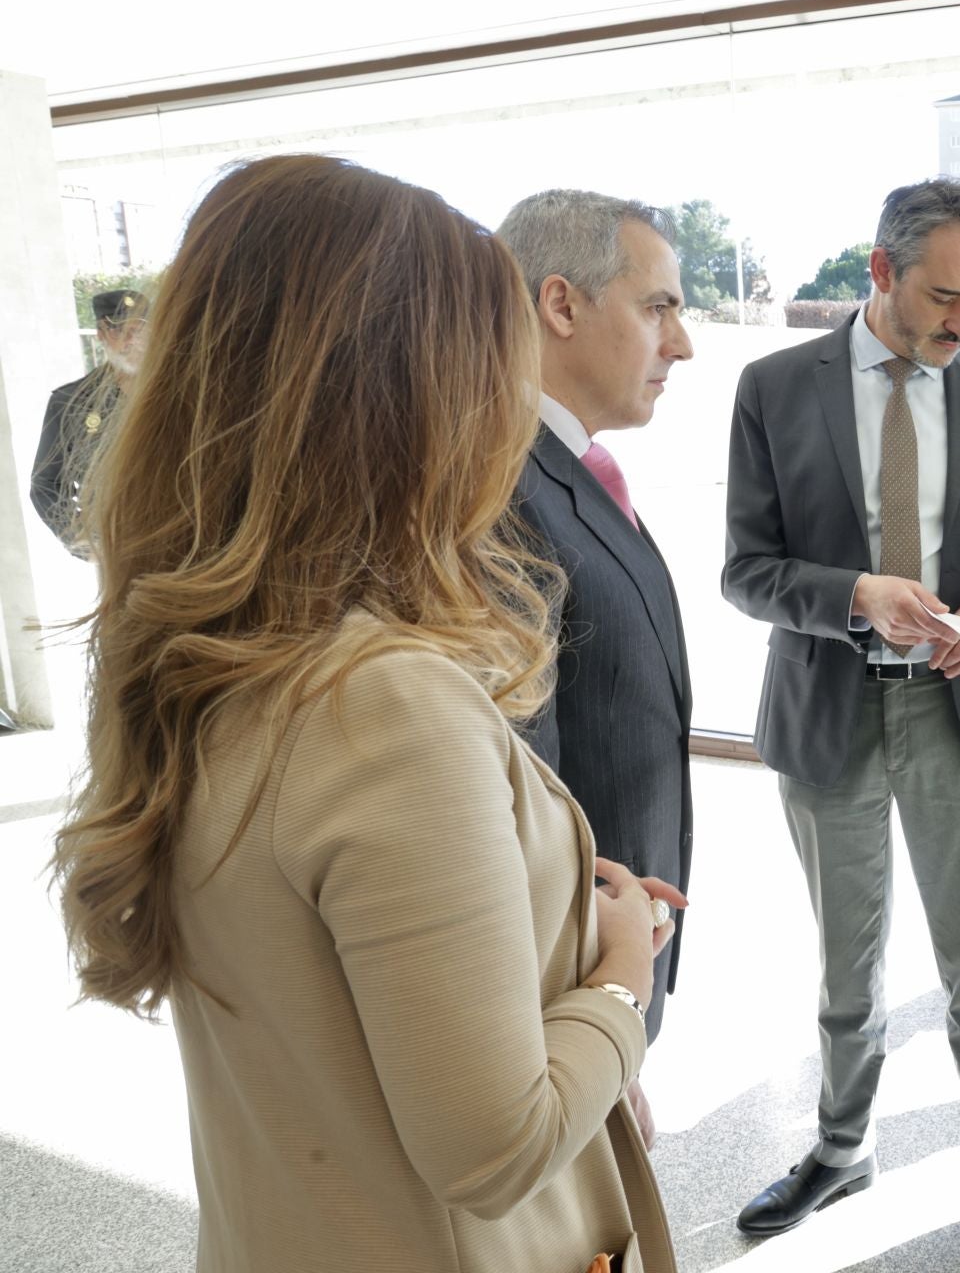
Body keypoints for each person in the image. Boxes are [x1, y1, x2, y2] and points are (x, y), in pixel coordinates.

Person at [48, 154, 682, 1273]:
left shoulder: (200, 649)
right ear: (409, 393)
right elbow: (496, 1146)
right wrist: (621, 977)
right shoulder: (382, 700)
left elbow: (326, 965)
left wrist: (549, 922)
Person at [721, 178, 960, 1273]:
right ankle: (840, 1146)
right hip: (832, 706)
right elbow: (746, 571)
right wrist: (856, 593)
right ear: (881, 271)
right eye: (945, 298)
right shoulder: (773, 387)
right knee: (846, 969)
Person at [497, 191, 696, 1088]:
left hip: (612, 955)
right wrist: (585, 1016)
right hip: (571, 987)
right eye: (658, 307)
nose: (681, 343)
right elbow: (512, 790)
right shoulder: (499, 488)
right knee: (591, 1238)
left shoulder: (565, 464)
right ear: (561, 304)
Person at [31, 287, 148, 552]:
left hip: (181, 546)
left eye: (139, 329)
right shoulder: (71, 402)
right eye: (119, 329)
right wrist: (80, 541)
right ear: (101, 334)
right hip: (118, 548)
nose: (132, 339)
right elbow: (45, 483)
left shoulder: (177, 393)